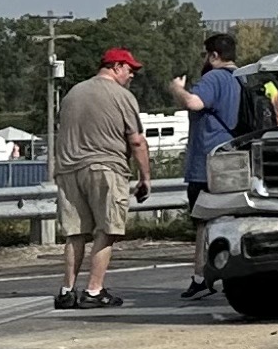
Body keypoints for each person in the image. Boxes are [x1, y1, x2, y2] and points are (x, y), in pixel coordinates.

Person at [53, 49, 152, 309]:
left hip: (69, 169)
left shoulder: (73, 93)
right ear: (116, 66)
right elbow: (136, 140)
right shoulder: (122, 96)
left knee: (75, 233)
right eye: (129, 70)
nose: (131, 76)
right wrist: (145, 178)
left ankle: (66, 291)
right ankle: (94, 291)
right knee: (107, 230)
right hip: (106, 167)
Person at [168, 33, 243, 300]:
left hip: (207, 162)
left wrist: (177, 88)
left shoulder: (213, 78)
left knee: (204, 222)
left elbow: (193, 102)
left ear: (213, 55)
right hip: (234, 160)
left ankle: (200, 276)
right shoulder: (243, 78)